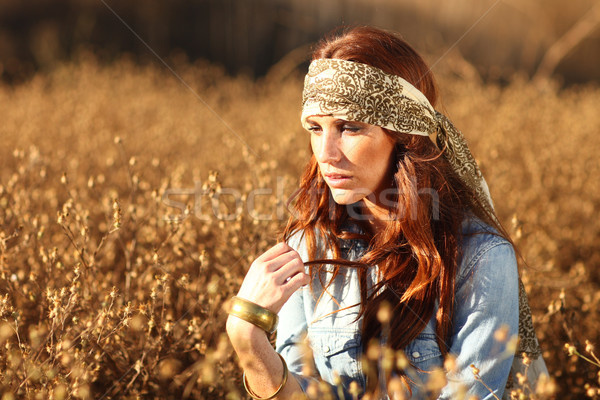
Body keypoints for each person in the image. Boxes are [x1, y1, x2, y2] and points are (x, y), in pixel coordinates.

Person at [226, 26, 548, 399]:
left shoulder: (479, 257)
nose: (326, 152)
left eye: (349, 127)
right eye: (315, 128)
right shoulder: (308, 245)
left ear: (404, 134)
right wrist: (246, 334)